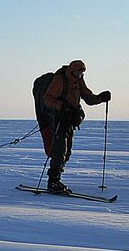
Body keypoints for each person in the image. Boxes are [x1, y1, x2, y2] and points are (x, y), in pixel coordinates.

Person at [42, 60, 111, 193]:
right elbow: (47, 99)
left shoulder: (79, 81)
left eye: (82, 71)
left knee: (67, 152)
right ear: (72, 70)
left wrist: (101, 98)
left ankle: (56, 178)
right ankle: (53, 182)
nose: (80, 73)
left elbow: (88, 97)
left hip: (69, 120)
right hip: (58, 119)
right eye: (79, 71)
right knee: (60, 150)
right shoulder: (60, 80)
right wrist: (62, 106)